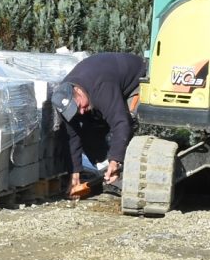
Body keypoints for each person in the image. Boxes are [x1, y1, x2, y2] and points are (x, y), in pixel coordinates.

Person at [50, 52, 144, 199]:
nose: (81, 111)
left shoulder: (101, 87)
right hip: (102, 83)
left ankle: (123, 171)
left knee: (127, 119)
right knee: (88, 126)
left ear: (78, 91)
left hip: (137, 79)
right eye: (75, 110)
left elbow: (120, 123)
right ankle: (105, 170)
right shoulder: (65, 98)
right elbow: (71, 136)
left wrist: (116, 160)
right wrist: (74, 174)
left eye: (80, 106)